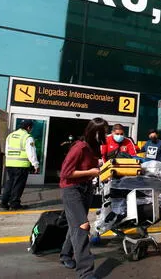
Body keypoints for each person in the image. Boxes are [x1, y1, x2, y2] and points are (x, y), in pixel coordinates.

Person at [59, 117, 108, 279]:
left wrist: (100, 165)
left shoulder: (92, 148)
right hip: (71, 190)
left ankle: (66, 255)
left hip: (85, 189)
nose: (106, 135)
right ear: (95, 132)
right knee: (82, 226)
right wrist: (91, 172)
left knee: (75, 225)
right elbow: (66, 173)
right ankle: (85, 273)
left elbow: (90, 166)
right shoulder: (79, 147)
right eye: (104, 132)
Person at [0, 120, 39, 210]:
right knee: (18, 185)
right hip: (21, 165)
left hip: (9, 164)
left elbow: (6, 151)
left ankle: (3, 200)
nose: (31, 130)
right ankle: (15, 204)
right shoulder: (27, 137)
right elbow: (31, 153)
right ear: (28, 127)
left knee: (10, 182)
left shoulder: (10, 136)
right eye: (31, 128)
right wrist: (35, 165)